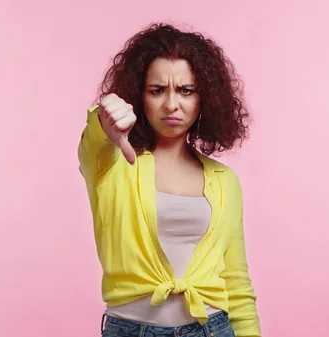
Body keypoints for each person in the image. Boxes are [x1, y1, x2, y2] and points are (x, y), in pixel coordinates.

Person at [78, 23, 261, 337]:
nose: (171, 104)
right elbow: (93, 142)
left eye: (186, 90)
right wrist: (104, 119)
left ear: (206, 99)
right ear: (139, 95)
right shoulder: (112, 164)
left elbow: (237, 283)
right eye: (157, 90)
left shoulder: (224, 180)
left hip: (212, 329)